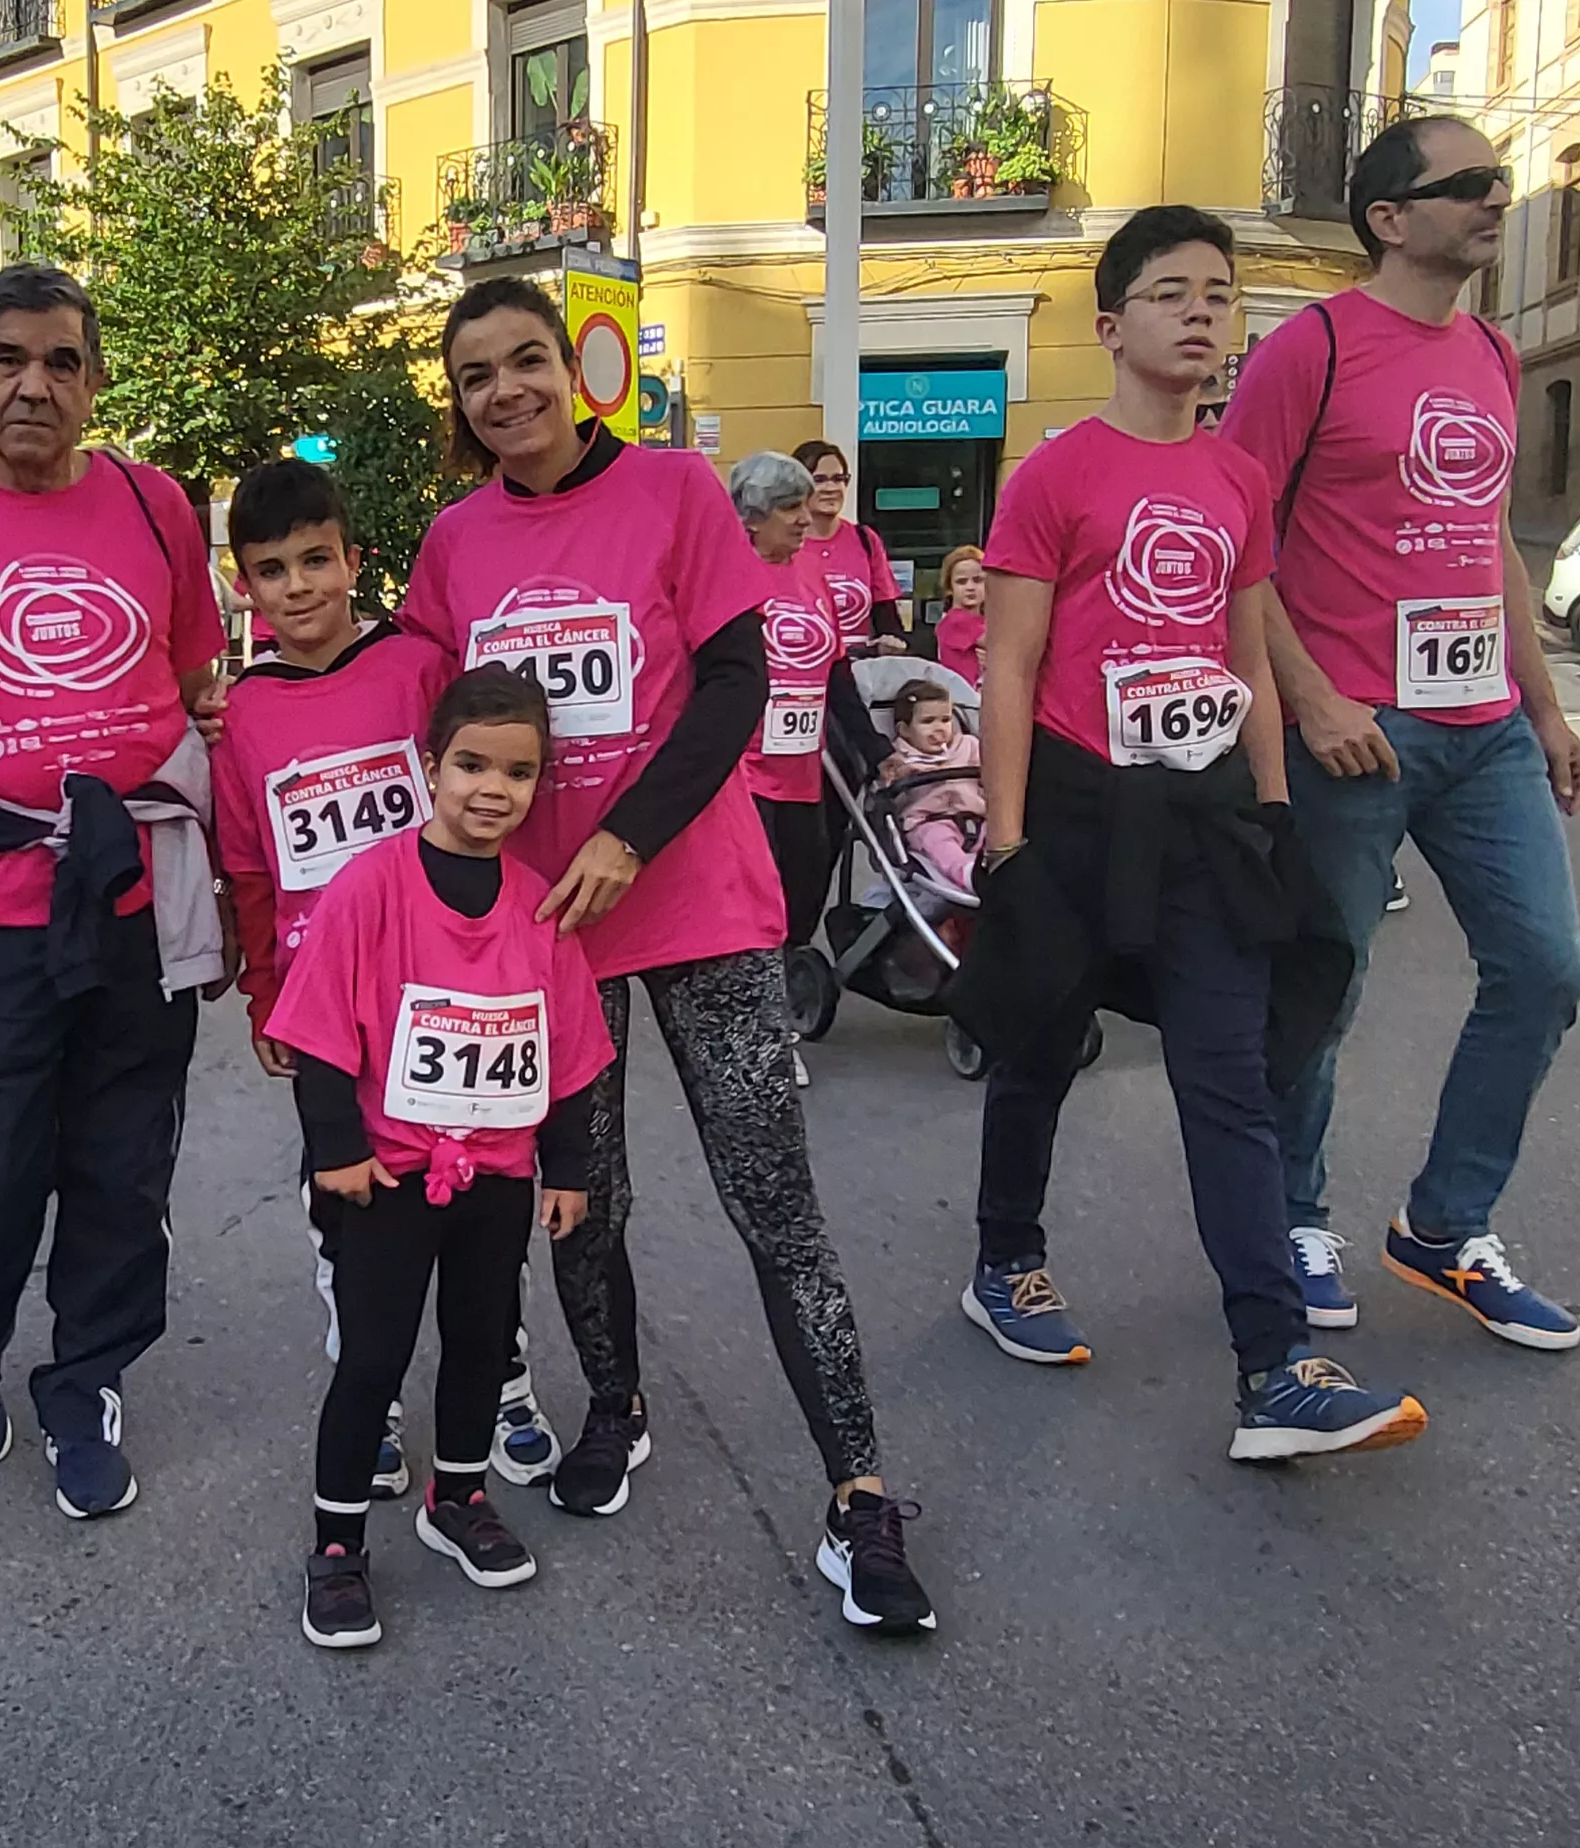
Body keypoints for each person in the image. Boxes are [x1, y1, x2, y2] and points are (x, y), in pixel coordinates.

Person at [399, 276, 936, 1634]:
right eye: (478, 377)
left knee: (774, 1202)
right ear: (460, 405)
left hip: (691, 898)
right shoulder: (454, 543)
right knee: (588, 1198)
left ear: (574, 370)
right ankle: (617, 1405)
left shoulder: (677, 493)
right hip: (548, 931)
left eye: (528, 361)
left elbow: (737, 685)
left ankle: (859, 1492)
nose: (508, 390)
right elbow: (413, 704)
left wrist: (630, 837)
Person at [951, 206, 1425, 1461]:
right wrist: (1003, 840)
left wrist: (1269, 811)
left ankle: (1274, 1365)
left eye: (1218, 292)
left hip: (1207, 819)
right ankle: (1007, 1260)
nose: (1201, 313)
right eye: (1170, 293)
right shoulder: (1054, 476)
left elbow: (1248, 658)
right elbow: (1008, 663)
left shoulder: (1236, 480)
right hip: (1076, 808)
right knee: (1040, 1048)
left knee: (1229, 1079)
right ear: (1113, 326)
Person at [0, 264, 224, 1521]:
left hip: (139, 905)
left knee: (124, 1167)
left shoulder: (154, 502)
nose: (33, 384)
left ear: (93, 382)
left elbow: (198, 697)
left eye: (61, 362)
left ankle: (85, 1382)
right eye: (6, 359)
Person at [1221, 115, 1580, 1350]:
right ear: (1389, 218)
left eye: (1500, 182)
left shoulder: (1493, 351)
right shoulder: (1309, 350)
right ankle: (1291, 1217)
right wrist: (1313, 699)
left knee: (1545, 970)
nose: (1499, 201)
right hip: (1357, 733)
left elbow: (1485, 543)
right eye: (1471, 186)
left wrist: (1545, 710)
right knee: (1323, 988)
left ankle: (1443, 1224)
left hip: (1482, 727)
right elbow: (1238, 543)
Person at [206, 458, 561, 1493]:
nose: (300, 587)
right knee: (350, 1198)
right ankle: (373, 1392)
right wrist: (266, 989)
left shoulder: (415, 668)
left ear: (355, 561)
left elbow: (478, 780)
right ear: (246, 588)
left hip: (446, 982)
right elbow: (247, 862)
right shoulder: (247, 714)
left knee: (485, 1182)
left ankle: (499, 1373)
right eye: (272, 571)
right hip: (332, 1001)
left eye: (318, 560)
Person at [264, 667, 608, 1649]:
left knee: (481, 1346)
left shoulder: (539, 909)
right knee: (370, 1358)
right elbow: (321, 1032)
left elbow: (570, 1051)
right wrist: (333, 1150)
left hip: (496, 1182)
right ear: (429, 765)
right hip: (387, 1178)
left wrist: (570, 1169)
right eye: (469, 765)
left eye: (517, 772)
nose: (491, 789)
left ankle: (455, 1497)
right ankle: (335, 1547)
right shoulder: (369, 889)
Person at [726, 451, 841, 1068]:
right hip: (746, 772)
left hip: (804, 769)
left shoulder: (810, 573)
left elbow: (837, 668)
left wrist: (876, 754)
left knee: (804, 896)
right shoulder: (730, 577)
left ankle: (779, 1002)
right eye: (791, 509)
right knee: (761, 907)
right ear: (753, 518)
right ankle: (770, 1036)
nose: (805, 519)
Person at [791, 440, 908, 658]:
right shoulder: (785, 542)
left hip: (859, 673)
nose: (831, 488)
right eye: (819, 480)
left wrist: (891, 644)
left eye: (839, 479)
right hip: (802, 670)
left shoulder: (865, 539)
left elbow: (887, 618)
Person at [879, 681, 983, 893]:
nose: (939, 728)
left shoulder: (969, 745)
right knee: (939, 842)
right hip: (928, 822)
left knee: (1002, 832)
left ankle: (999, 868)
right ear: (905, 730)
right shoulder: (899, 760)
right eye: (928, 721)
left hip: (978, 818)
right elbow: (887, 795)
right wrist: (895, 778)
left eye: (945, 720)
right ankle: (965, 872)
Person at [931, 546, 988, 685]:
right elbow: (1000, 644)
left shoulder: (980, 620)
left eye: (978, 580)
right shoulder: (955, 620)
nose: (970, 587)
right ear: (950, 587)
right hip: (964, 698)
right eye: (961, 581)